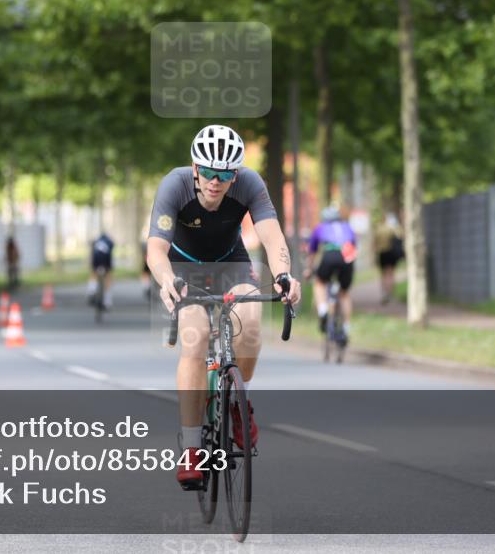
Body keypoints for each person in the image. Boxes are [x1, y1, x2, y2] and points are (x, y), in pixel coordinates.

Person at [145, 124, 302, 490]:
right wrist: (167, 280)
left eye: (225, 174)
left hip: (231, 262)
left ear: (235, 174)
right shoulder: (175, 185)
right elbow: (155, 248)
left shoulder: (250, 184)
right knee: (195, 336)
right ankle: (193, 448)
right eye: (210, 172)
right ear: (196, 168)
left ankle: (236, 398)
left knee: (250, 317)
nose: (216, 181)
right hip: (184, 268)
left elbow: (272, 235)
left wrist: (284, 276)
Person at [305, 204, 357, 344]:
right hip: (347, 257)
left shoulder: (320, 228)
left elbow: (312, 253)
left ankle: (323, 311)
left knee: (320, 282)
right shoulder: (347, 227)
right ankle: (346, 328)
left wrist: (309, 269)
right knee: (344, 293)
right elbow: (354, 247)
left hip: (330, 255)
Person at [374, 212, 403, 304]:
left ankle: (384, 293)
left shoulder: (378, 229)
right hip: (391, 253)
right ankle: (390, 293)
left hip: (382, 253)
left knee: (383, 274)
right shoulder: (393, 228)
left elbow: (374, 243)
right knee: (391, 274)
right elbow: (400, 236)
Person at [87, 231, 115, 308]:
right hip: (106, 259)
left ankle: (91, 290)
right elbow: (110, 253)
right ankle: (107, 301)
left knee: (94, 273)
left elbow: (92, 252)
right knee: (108, 276)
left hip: (96, 259)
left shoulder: (96, 241)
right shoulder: (110, 242)